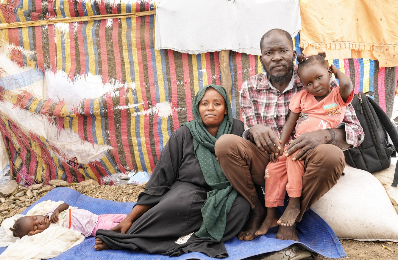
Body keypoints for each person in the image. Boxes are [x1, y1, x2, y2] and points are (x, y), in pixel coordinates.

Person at [214, 29, 364, 242]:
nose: (276, 57)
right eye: (269, 53)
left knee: (331, 156)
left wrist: (325, 135)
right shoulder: (250, 87)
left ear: (293, 55)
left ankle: (293, 216)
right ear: (261, 58)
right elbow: (248, 130)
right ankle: (258, 211)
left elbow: (357, 133)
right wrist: (253, 129)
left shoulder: (316, 79)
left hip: (306, 160)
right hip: (270, 161)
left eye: (283, 50)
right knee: (225, 143)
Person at [94, 85, 249, 258]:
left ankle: (189, 237)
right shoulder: (184, 134)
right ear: (197, 108)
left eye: (217, 103)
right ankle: (132, 238)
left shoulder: (238, 129)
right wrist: (130, 218)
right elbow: (161, 179)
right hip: (189, 190)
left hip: (225, 193)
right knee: (179, 205)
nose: (210, 108)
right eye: (204, 103)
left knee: (241, 207)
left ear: (226, 108)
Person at [256, 52, 354, 240]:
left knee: (294, 156)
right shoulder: (302, 97)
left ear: (328, 73)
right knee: (273, 168)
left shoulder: (337, 96)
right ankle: (270, 215)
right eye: (309, 83)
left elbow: (347, 85)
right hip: (297, 144)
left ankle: (294, 202)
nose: (315, 85)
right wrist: (279, 146)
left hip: (317, 150)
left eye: (319, 78)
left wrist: (335, 69)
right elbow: (289, 124)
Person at [10, 202, 126, 238]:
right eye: (36, 226)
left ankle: (139, 220)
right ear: (34, 232)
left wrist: (57, 210)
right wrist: (38, 232)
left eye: (36, 218)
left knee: (124, 217)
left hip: (97, 217)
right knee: (115, 227)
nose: (39, 221)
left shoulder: (50, 213)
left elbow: (65, 204)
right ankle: (137, 230)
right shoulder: (51, 230)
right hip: (92, 228)